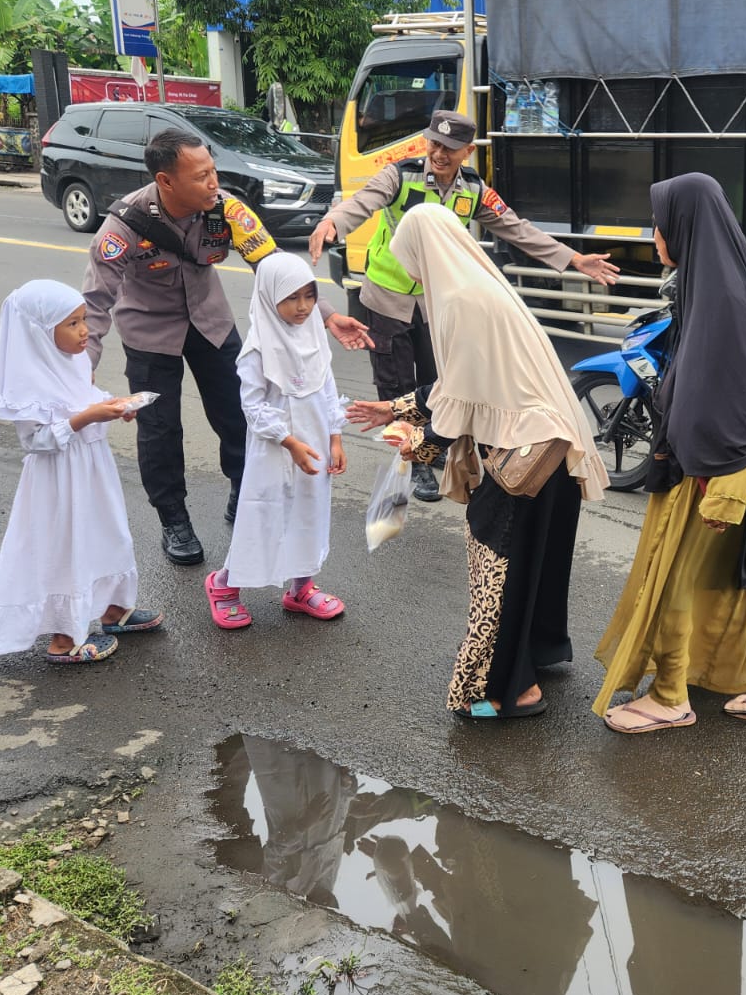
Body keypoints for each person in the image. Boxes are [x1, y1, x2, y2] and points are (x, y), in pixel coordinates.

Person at [345, 204, 608, 718]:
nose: (413, 272)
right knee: (537, 560)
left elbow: (456, 404)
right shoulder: (478, 285)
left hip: (523, 453)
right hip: (550, 447)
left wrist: (416, 445)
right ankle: (538, 653)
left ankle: (508, 689)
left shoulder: (460, 300)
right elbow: (458, 386)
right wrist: (396, 408)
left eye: (411, 259)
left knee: (497, 560)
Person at [83, 127, 371, 566]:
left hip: (211, 323)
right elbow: (96, 302)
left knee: (242, 414)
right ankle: (173, 518)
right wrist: (81, 368)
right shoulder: (123, 226)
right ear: (166, 182)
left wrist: (327, 314)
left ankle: (243, 486)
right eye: (201, 176)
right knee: (159, 431)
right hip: (149, 333)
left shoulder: (227, 211)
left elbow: (274, 265)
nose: (213, 183)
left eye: (213, 170)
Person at [591, 174, 746, 734]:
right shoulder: (716, 284)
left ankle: (670, 697)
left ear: (683, 228)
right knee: (724, 587)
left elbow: (736, 398)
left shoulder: (720, 298)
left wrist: (724, 492)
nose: (654, 235)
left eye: (659, 224)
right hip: (715, 469)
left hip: (712, 474)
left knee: (675, 580)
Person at [310, 109, 620, 503]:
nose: (439, 154)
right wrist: (332, 222)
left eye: (450, 149)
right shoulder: (399, 174)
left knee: (439, 377)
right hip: (388, 295)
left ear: (468, 152)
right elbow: (363, 202)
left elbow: (516, 228)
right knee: (396, 381)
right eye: (434, 144)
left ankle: (432, 443)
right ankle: (417, 464)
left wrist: (573, 260)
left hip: (438, 302)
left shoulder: (473, 190)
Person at [0, 280, 162, 665]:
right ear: (41, 333)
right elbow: (36, 441)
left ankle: (112, 609)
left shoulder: (74, 362)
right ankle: (64, 637)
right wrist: (87, 417)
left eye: (83, 319)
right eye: (72, 324)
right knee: (66, 549)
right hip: (58, 480)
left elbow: (84, 399)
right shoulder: (27, 380)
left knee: (107, 535)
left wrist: (112, 405)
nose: (84, 330)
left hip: (92, 471)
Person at [206, 253, 348, 629]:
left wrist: (335, 437)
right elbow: (253, 408)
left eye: (309, 296)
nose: (303, 307)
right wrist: (289, 443)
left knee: (309, 515)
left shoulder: (315, 335)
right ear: (269, 298)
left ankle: (301, 587)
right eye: (291, 298)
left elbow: (329, 390)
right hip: (275, 451)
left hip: (314, 447)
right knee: (264, 517)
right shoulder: (257, 350)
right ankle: (224, 586)